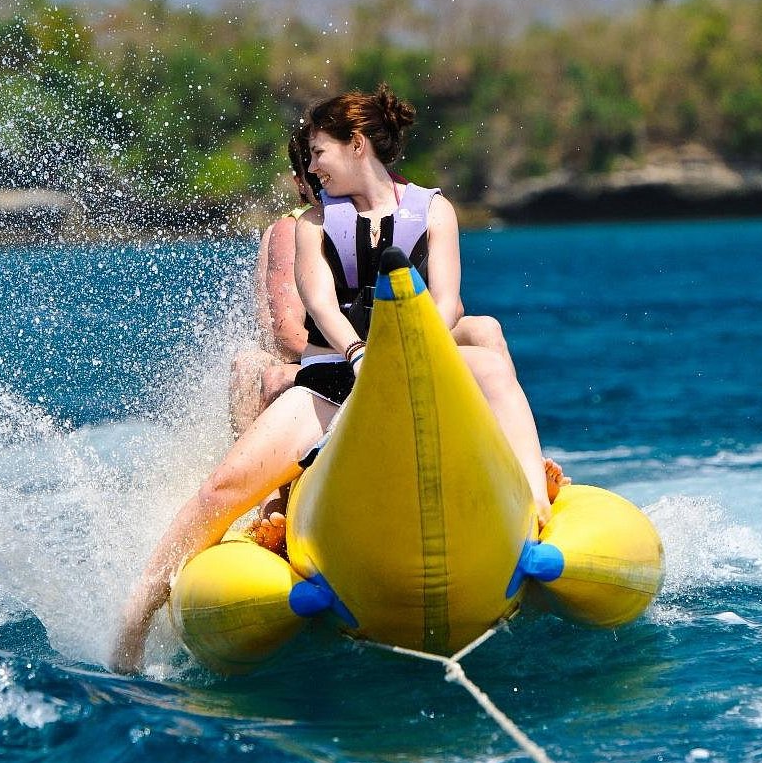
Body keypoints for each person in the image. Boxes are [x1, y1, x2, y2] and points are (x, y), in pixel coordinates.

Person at [112, 85, 565, 673]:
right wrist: (357, 353)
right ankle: (139, 608)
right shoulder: (312, 224)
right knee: (221, 491)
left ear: (356, 146)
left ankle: (534, 506)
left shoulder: (435, 211)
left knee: (492, 362)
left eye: (320, 153)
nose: (312, 167)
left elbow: (449, 303)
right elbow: (319, 300)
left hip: (419, 365)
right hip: (334, 377)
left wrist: (406, 352)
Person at [228, 126, 318, 439]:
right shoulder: (286, 232)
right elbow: (281, 336)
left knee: (478, 330)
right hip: (303, 359)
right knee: (249, 367)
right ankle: (262, 485)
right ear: (301, 183)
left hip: (360, 354)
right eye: (314, 173)